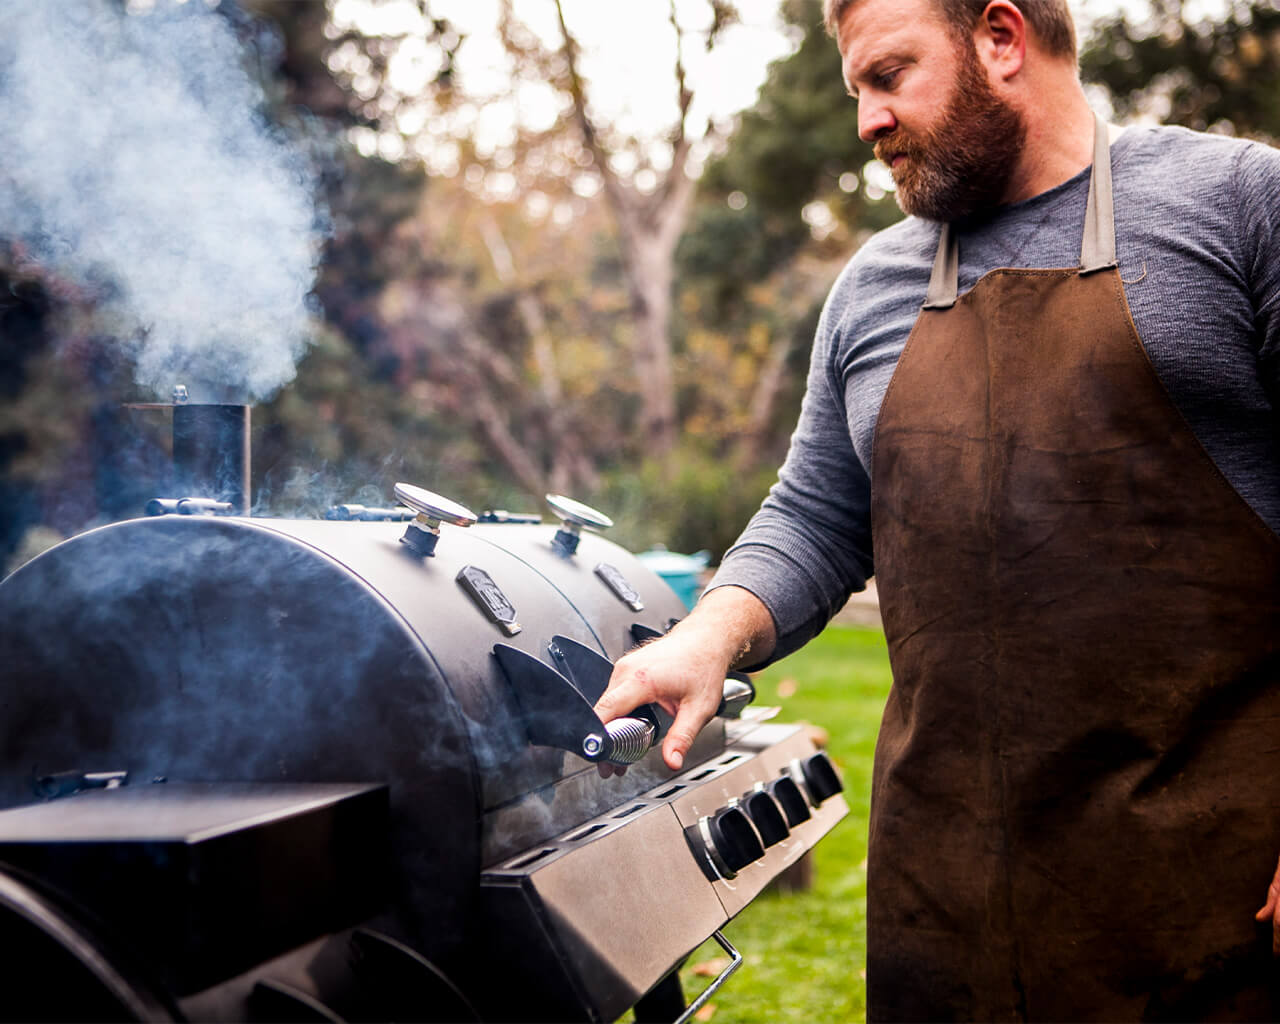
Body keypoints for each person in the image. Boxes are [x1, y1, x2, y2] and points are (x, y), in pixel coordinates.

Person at [593, 0, 1280, 1018]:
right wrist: (705, 636)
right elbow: (816, 515)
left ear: (998, 39)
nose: (865, 121)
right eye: (854, 91)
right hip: (948, 906)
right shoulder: (873, 284)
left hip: (1211, 902)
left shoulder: (1234, 205)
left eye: (886, 77)